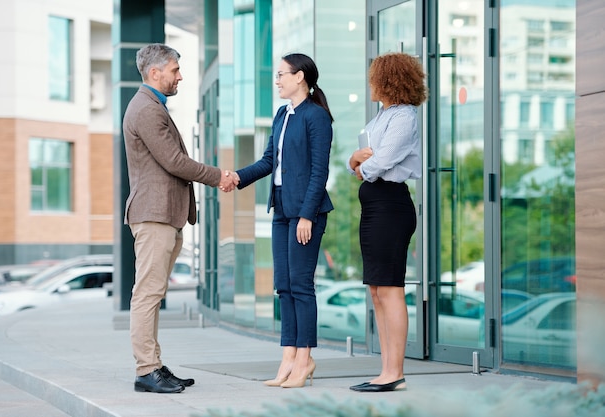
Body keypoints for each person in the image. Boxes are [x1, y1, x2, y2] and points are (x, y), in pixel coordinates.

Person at [123, 43, 237, 394]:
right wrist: (219, 175)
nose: (180, 76)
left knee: (154, 293)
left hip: (164, 216)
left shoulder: (152, 106)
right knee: (147, 294)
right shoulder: (146, 108)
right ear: (155, 72)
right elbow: (174, 161)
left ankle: (154, 365)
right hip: (154, 216)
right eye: (174, 70)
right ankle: (146, 369)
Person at [228, 53, 334, 388]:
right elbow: (268, 161)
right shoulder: (280, 115)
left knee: (302, 287)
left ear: (300, 76)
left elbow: (320, 171)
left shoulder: (316, 117)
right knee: (284, 286)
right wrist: (235, 177)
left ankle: (305, 359)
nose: (277, 81)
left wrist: (307, 215)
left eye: (281, 75)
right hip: (281, 212)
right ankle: (288, 356)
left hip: (306, 214)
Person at [347, 53, 427, 393]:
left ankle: (395, 372)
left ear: (389, 80)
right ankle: (385, 369)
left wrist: (361, 165)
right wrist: (357, 161)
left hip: (391, 206)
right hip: (375, 205)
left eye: (374, 77)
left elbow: (382, 160)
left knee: (391, 288)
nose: (369, 83)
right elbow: (358, 156)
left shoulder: (405, 116)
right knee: (377, 289)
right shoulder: (381, 116)